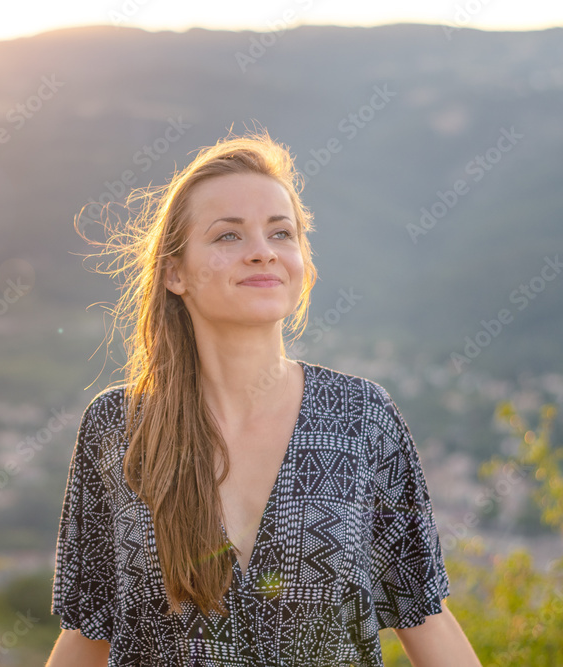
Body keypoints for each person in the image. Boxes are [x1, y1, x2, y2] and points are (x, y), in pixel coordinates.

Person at [46, 129, 482, 666]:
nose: (261, 253)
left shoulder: (361, 418)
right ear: (174, 273)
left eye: (281, 233)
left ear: (303, 261)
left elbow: (425, 617)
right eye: (229, 236)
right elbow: (90, 632)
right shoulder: (118, 426)